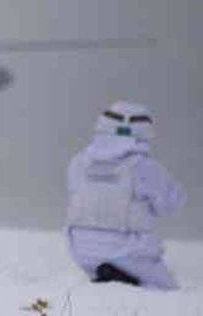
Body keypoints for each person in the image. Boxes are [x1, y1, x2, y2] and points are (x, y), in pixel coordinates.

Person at [66, 101, 185, 290]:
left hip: (81, 249)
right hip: (130, 250)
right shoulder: (144, 167)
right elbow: (170, 204)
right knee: (167, 290)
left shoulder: (78, 162)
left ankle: (111, 277)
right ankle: (125, 278)